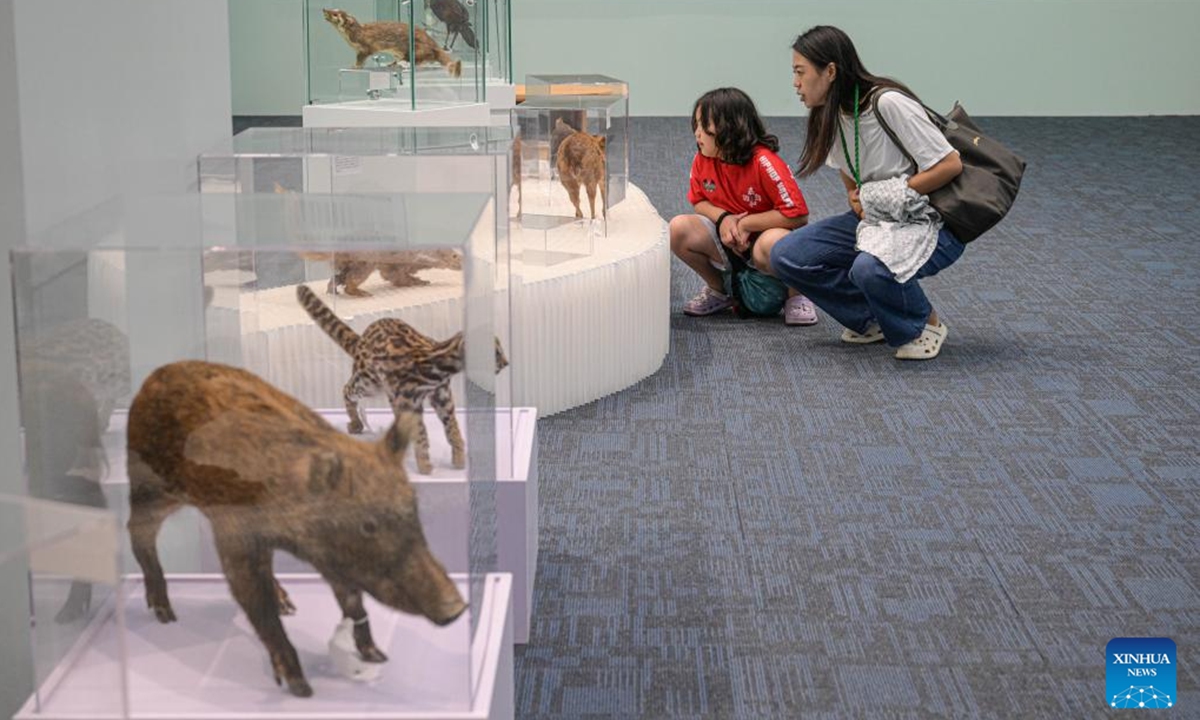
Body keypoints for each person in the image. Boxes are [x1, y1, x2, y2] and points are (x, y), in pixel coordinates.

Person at [770, 25, 965, 360]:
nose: (795, 83)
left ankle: (925, 324)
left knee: (869, 268)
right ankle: (872, 318)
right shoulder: (831, 114)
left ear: (830, 71)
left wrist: (888, 192)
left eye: (800, 72)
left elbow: (950, 164)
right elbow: (848, 169)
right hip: (878, 220)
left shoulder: (888, 103)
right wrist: (856, 198)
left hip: (929, 222)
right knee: (786, 255)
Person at [670, 87, 817, 324]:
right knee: (678, 228)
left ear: (731, 127)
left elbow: (798, 214)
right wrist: (724, 218)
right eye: (696, 125)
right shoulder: (702, 159)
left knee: (775, 241)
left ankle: (797, 296)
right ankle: (719, 291)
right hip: (730, 242)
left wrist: (746, 224)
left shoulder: (764, 161)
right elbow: (698, 201)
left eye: (704, 126)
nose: (697, 133)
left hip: (764, 248)